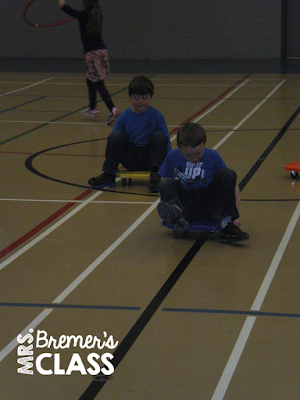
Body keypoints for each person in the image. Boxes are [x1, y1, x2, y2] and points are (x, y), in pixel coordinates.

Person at [157, 122, 249, 243]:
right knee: (166, 182)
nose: (194, 159)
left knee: (228, 174)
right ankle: (176, 214)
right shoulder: (172, 156)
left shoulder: (213, 156)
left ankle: (227, 224)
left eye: (198, 153)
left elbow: (232, 185)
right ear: (179, 147)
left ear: (204, 145)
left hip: (209, 203)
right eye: (189, 155)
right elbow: (165, 186)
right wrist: (162, 213)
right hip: (186, 205)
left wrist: (235, 214)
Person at [88, 75, 171, 193]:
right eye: (136, 97)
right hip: (130, 158)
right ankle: (109, 174)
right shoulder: (124, 117)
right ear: (130, 97)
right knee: (116, 136)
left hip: (150, 158)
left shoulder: (157, 116)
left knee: (160, 137)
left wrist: (170, 165)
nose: (140, 101)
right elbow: (113, 142)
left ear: (150, 97)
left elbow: (166, 141)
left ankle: (155, 177)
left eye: (144, 97)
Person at [58, 0, 120, 124]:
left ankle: (112, 109)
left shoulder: (82, 15)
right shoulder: (98, 14)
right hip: (101, 51)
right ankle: (92, 108)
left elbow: (63, 6)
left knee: (98, 83)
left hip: (92, 54)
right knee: (90, 79)